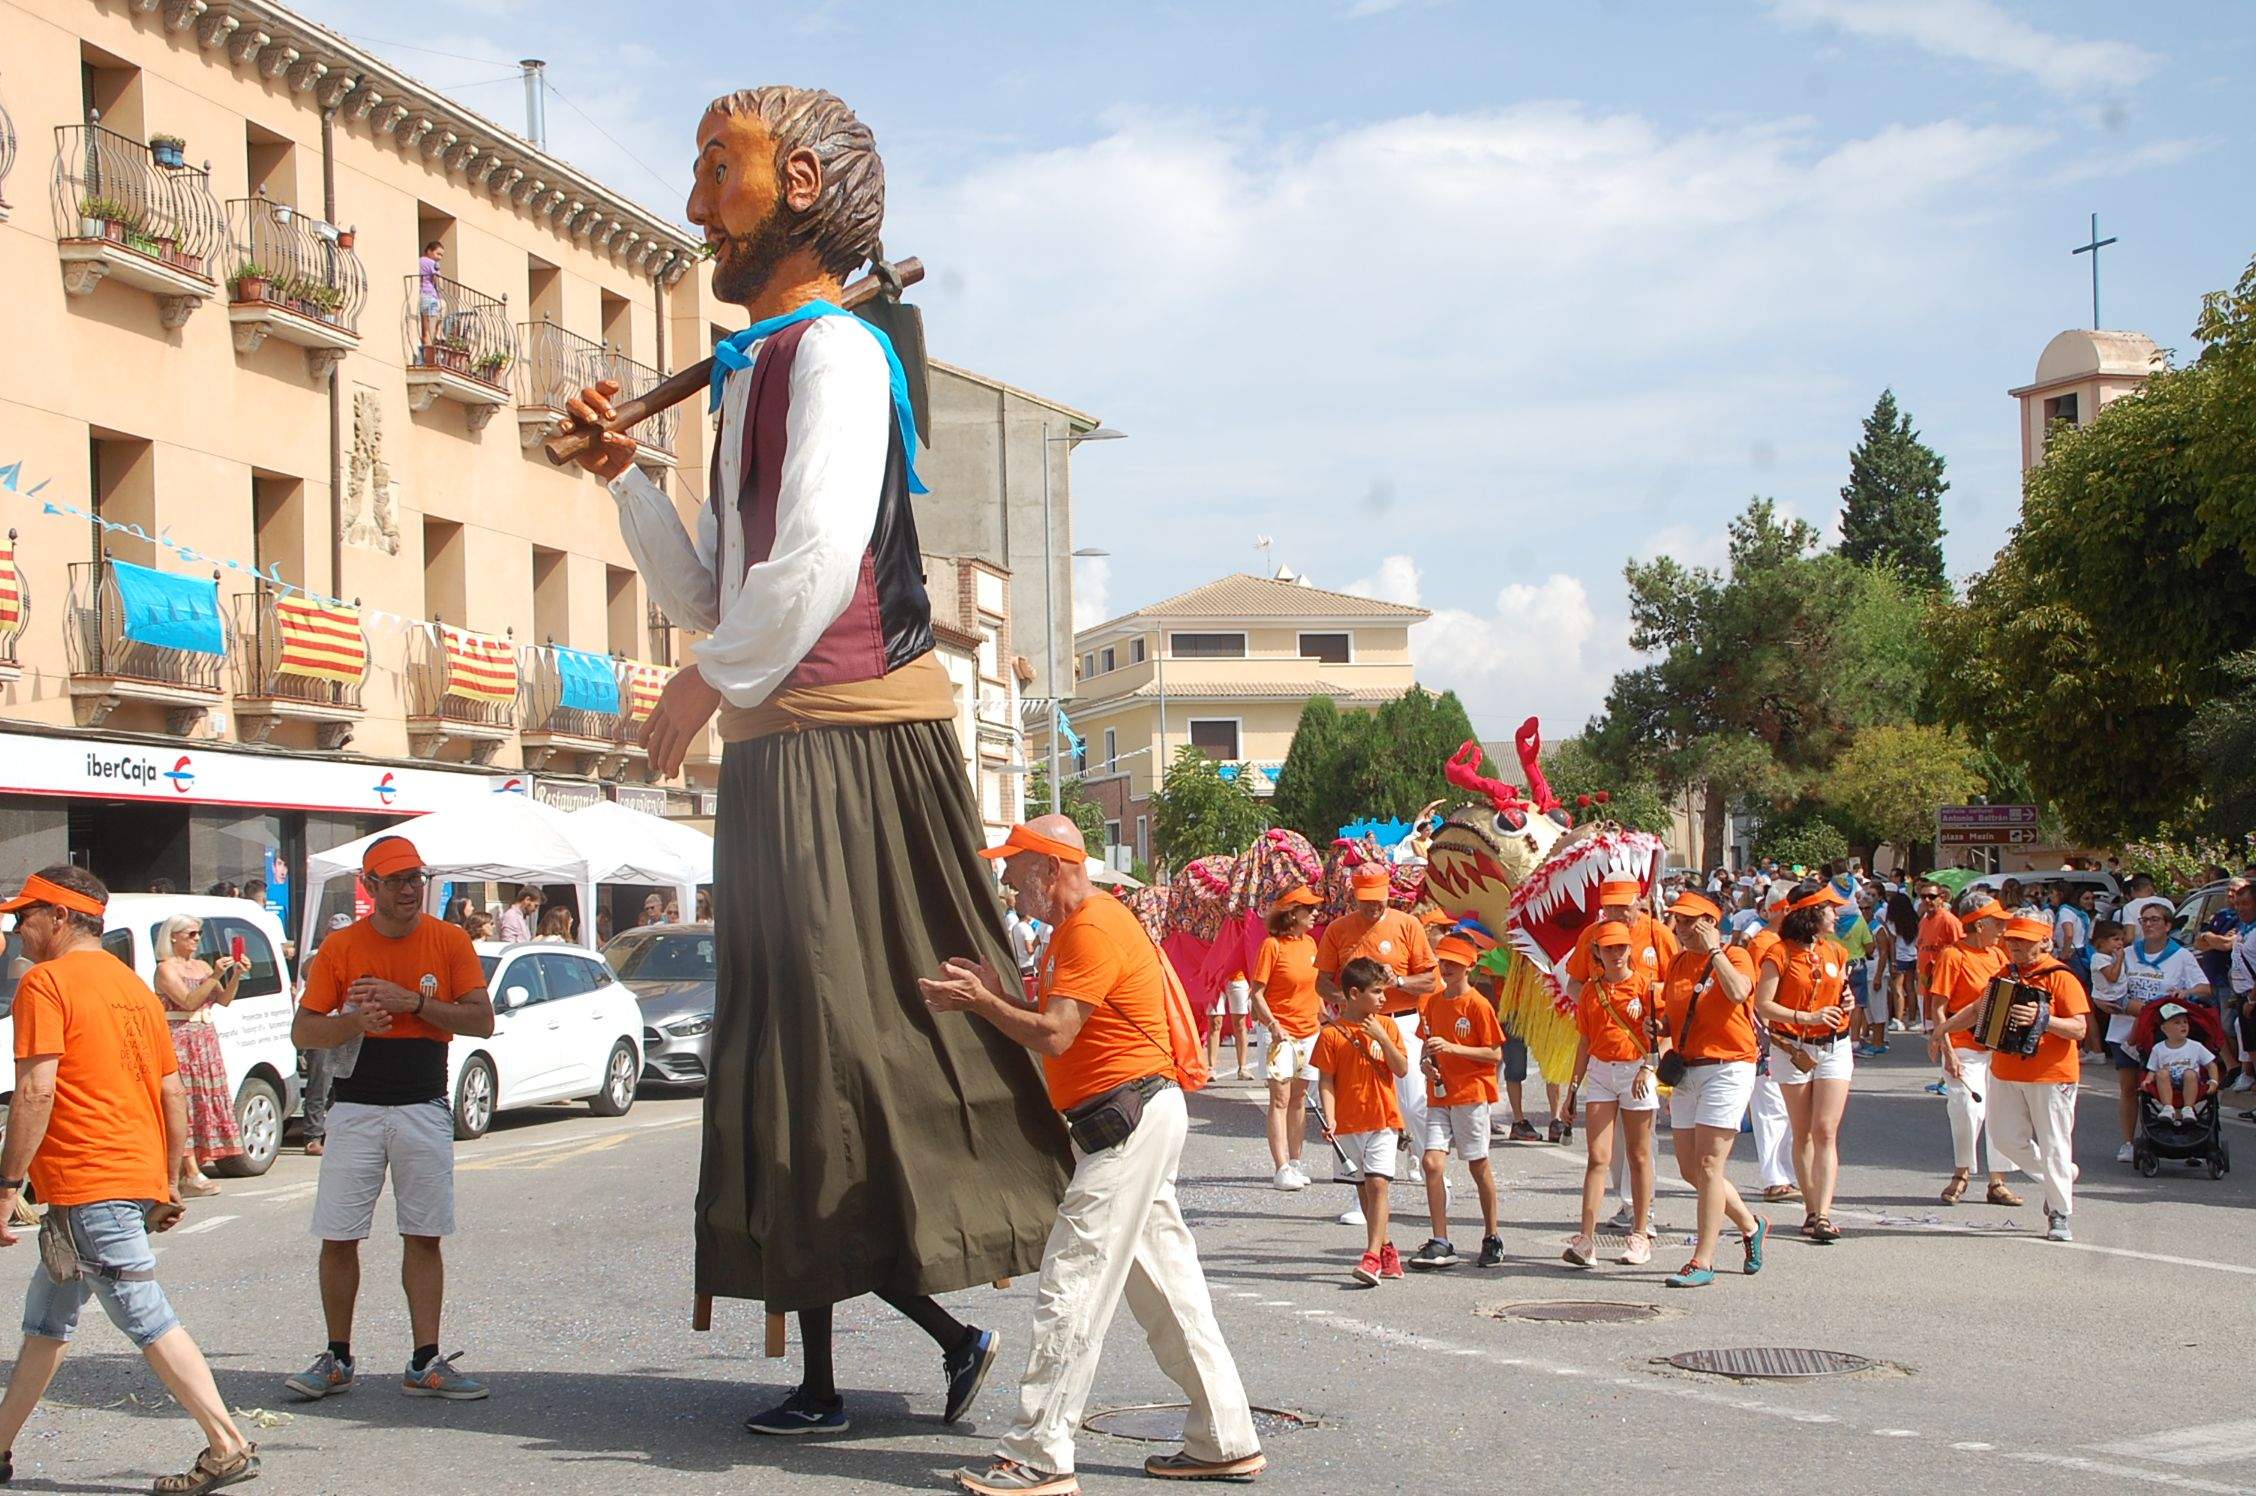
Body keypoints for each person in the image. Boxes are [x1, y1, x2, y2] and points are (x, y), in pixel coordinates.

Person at [568, 84, 1074, 1432]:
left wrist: (703, 686)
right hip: (780, 760)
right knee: (792, 1073)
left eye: (711, 171)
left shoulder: (840, 357)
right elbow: (717, 589)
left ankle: (1048, 1262)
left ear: (796, 179)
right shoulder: (762, 369)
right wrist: (628, 476)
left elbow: (807, 574)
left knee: (871, 1059)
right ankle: (843, 1367)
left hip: (851, 754)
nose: (692, 206)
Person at [923, 817, 1262, 1493]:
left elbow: (1054, 1035)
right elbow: (1068, 1028)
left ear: (1051, 869)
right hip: (1133, 1118)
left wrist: (985, 1002)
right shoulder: (1077, 930)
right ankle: (1224, 1439)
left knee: (1073, 1281)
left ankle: (1038, 1455)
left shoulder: (1092, 927)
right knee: (1170, 1291)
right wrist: (1002, 993)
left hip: (1125, 1123)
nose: (1010, 886)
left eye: (1017, 873)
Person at [0, 867, 260, 1494]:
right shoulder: (134, 986)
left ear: (60, 917)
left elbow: (36, 1090)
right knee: (48, 1322)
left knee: (144, 1314)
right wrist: (168, 1178)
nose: (16, 927)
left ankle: (226, 1444)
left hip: (87, 1176)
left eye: (24, 915)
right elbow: (171, 1092)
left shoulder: (46, 982)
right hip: (116, 1177)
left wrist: (7, 1184)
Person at [283, 836, 497, 1404]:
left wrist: (413, 1003)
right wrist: (354, 1022)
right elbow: (304, 1031)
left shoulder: (449, 940)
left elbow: (482, 1021)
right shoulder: (343, 945)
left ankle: (425, 1360)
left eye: (415, 879)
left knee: (423, 1235)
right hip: (354, 1106)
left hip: (424, 1103)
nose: (409, 889)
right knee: (339, 1236)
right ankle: (337, 1356)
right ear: (370, 886)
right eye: (396, 880)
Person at [1940, 917, 2089, 1241]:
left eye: (2024, 940)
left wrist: (2042, 1018)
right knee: (2004, 1139)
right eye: (2012, 940)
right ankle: (2059, 1176)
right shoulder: (2005, 974)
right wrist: (1943, 1030)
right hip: (2006, 1070)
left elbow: (2080, 1028)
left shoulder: (2061, 977)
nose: (2015, 945)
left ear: (2045, 943)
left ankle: (2060, 1212)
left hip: (2052, 1075)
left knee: (2054, 1144)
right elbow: (1979, 1007)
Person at [1653, 890, 1765, 1288]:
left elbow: (1738, 992)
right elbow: (1674, 1012)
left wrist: (1715, 952)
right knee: (1689, 1168)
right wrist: (1662, 1028)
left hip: (1729, 1066)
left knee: (1709, 1165)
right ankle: (1751, 1225)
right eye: (1677, 921)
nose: (1680, 929)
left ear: (1710, 922)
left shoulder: (1735, 955)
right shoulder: (1678, 962)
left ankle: (1703, 1259)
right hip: (1688, 1070)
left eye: (1687, 921)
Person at [1315, 866, 1439, 1181]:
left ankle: (1429, 1167)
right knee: (1358, 1104)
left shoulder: (1408, 925)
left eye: (1379, 900)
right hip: (1355, 1026)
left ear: (1389, 894)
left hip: (1403, 1022)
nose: (1374, 907)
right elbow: (1322, 982)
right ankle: (1362, 1184)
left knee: (1413, 1104)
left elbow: (1429, 979)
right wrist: (1348, 1000)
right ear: (1354, 896)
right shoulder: (1338, 929)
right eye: (1366, 900)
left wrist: (1397, 980)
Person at [1750, 881, 1853, 1244]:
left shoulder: (1836, 952)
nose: (1836, 915)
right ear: (1812, 914)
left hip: (1835, 1046)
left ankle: (1823, 1214)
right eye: (1830, 909)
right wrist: (1806, 1018)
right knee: (1804, 1130)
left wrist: (1848, 1003)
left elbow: (1841, 993)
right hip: (1792, 1048)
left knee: (1826, 1130)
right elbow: (1763, 1005)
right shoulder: (1778, 953)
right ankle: (1811, 1210)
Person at [1563, 920, 1657, 1269]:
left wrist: (1649, 1067)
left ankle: (1641, 1233)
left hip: (1635, 1070)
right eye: (1608, 949)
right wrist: (1572, 1090)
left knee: (1638, 1154)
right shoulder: (1590, 991)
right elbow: (1585, 1041)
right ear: (1597, 954)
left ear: (1630, 949)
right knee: (1597, 1157)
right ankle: (1586, 1239)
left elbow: (1664, 1035)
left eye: (1621, 947)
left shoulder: (1646, 986)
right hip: (1602, 1072)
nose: (1616, 954)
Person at [1408, 935, 1504, 1271]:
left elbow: (1494, 1053)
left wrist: (1454, 1048)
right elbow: (1427, 1046)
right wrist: (1425, 1062)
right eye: (1442, 961)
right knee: (1432, 1163)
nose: (1446, 968)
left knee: (1478, 1166)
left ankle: (1492, 1236)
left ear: (1470, 965)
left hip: (1471, 1095)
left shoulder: (1478, 1005)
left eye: (1453, 963)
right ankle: (1441, 1240)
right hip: (1440, 1095)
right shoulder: (1433, 1002)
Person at [1313, 958, 1407, 1287]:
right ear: (1354, 994)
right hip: (1350, 1122)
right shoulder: (1331, 1034)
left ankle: (1370, 1257)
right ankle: (1386, 1247)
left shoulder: (1389, 1027)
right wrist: (1331, 1116)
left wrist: (1381, 1037)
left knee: (1378, 1184)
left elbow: (1401, 1068)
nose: (1383, 998)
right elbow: (1326, 1079)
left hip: (1383, 1117)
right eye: (1377, 992)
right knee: (1365, 1189)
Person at [1926, 898, 2016, 1204]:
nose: (2003, 929)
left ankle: (1997, 1181)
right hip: (1964, 1045)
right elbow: (1939, 1008)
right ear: (1980, 925)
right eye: (1998, 923)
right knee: (1966, 1107)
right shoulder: (1953, 954)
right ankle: (1961, 1173)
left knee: (1999, 1113)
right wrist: (1948, 1051)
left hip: (1997, 1048)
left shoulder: (1999, 955)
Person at [151, 916, 247, 1198]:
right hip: (179, 1038)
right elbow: (188, 1001)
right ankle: (190, 1172)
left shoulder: (202, 966)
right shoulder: (165, 969)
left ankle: (193, 1167)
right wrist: (215, 976)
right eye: (190, 933)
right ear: (173, 937)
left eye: (198, 933)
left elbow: (224, 1000)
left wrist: (237, 974)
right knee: (184, 1103)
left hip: (204, 1038)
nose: (196, 938)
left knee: (203, 1099)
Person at [1250, 887, 1323, 1191]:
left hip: (1309, 1032)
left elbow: (1313, 989)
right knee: (1280, 1099)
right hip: (1280, 1035)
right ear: (1293, 914)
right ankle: (1280, 1168)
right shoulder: (1271, 946)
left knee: (1299, 1099)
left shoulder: (1310, 943)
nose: (1315, 914)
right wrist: (1273, 1024)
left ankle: (1295, 1162)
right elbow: (1256, 993)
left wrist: (1326, 1015)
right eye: (1310, 909)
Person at [299, 912, 356, 1159]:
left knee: (342, 1080)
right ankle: (312, 1136)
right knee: (319, 1081)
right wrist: (329, 950)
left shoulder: (356, 956)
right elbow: (305, 972)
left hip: (346, 1024)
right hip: (322, 1026)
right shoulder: (316, 956)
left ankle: (335, 1132)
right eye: (336, 933)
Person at [2087, 918, 2145, 1161]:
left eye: (2121, 939)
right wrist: (2120, 957)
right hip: (2115, 1002)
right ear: (2101, 942)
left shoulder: (2113, 955)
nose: (2120, 944)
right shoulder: (2102, 958)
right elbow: (2111, 977)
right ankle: (2131, 1042)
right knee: (2146, 1012)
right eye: (2115, 940)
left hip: (2118, 997)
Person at [2191, 879, 2248, 1088]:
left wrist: (2211, 938)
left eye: (2237, 891)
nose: (2231, 894)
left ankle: (2243, 1069)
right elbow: (2199, 943)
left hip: (2229, 981)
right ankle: (2232, 1067)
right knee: (2215, 1024)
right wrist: (2212, 937)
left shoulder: (2244, 920)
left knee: (2230, 1025)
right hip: (2210, 979)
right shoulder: (2220, 915)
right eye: (2230, 890)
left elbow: (2226, 945)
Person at [2145, 1004, 2218, 1120]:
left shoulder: (2195, 1046)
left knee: (2190, 1074)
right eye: (2177, 1023)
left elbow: (2211, 1065)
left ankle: (2188, 1108)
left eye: (2185, 1022)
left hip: (2191, 1082)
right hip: (2167, 1083)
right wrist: (2147, 1081)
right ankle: (2167, 1107)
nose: (2183, 1025)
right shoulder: (2158, 1049)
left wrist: (2214, 1081)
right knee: (2161, 1073)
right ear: (2164, 1028)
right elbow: (2152, 1070)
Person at [416, 239, 445, 355]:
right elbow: (439, 283)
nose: (440, 257)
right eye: (438, 254)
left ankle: (427, 352)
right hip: (430, 296)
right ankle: (438, 334)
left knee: (426, 328)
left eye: (442, 255)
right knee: (441, 307)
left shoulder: (419, 261)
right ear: (429, 251)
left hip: (423, 295)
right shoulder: (431, 263)